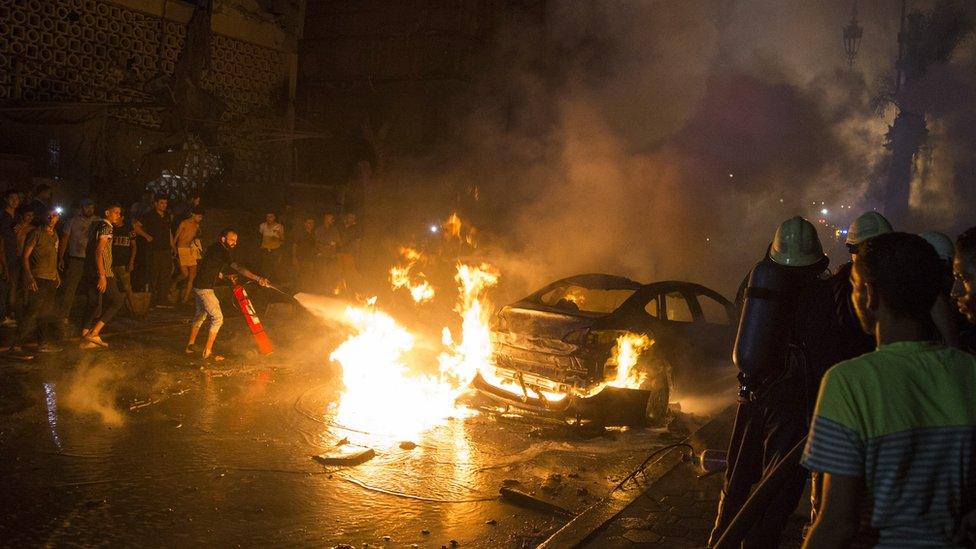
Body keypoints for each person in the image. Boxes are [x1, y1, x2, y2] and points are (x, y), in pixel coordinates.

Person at [802, 232, 976, 548]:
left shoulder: (849, 382)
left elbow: (837, 525)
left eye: (854, 287)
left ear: (870, 295)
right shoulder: (970, 371)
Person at [709, 216, 832, 547]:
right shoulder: (823, 295)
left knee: (735, 481)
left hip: (751, 393)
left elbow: (738, 324)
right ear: (816, 258)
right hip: (793, 406)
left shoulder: (757, 282)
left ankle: (720, 539)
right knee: (777, 488)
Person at [185, 229, 269, 361]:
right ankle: (208, 352)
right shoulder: (223, 251)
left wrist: (223, 276)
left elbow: (210, 266)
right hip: (205, 288)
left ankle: (190, 346)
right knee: (218, 318)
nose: (234, 243)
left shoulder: (213, 248)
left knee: (201, 315)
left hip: (198, 285)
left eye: (235, 241)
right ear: (223, 239)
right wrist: (258, 279)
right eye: (231, 240)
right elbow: (239, 268)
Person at [11, 208, 63, 354]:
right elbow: (25, 257)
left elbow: (53, 255)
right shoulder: (36, 233)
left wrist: (56, 274)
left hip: (50, 279)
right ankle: (15, 345)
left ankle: (43, 344)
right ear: (45, 217)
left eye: (55, 216)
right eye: (50, 215)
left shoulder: (54, 235)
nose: (53, 218)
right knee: (32, 312)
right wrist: (29, 277)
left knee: (45, 313)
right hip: (38, 278)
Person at [79, 204, 124, 349]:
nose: (118, 215)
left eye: (119, 213)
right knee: (117, 301)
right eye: (115, 212)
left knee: (93, 302)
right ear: (107, 212)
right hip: (102, 270)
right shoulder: (107, 227)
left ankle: (86, 335)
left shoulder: (97, 225)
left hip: (91, 269)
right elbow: (99, 251)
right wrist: (102, 275)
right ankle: (94, 333)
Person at [57, 198, 96, 325]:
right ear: (81, 208)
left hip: (91, 260)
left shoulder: (98, 221)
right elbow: (65, 239)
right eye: (86, 207)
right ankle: (63, 315)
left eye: (91, 207)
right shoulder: (72, 221)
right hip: (76, 258)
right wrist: (61, 257)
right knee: (70, 287)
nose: (89, 210)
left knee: (94, 288)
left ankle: (94, 315)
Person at [133, 195, 173, 308]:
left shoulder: (167, 216)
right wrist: (147, 236)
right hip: (154, 250)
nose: (164, 205)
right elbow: (136, 226)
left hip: (165, 250)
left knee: (165, 274)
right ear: (156, 203)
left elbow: (169, 231)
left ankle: (162, 299)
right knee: (153, 274)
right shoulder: (149, 215)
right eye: (161, 203)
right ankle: (151, 300)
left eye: (165, 203)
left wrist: (172, 245)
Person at [172, 208, 203, 304]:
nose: (200, 218)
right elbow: (176, 237)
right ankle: (175, 283)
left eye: (201, 217)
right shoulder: (184, 223)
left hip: (191, 251)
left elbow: (197, 236)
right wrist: (173, 249)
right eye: (199, 216)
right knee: (185, 274)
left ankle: (185, 298)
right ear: (193, 214)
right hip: (182, 249)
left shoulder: (197, 225)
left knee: (192, 276)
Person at [110, 211, 138, 316]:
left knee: (127, 287)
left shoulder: (128, 229)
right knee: (114, 288)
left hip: (123, 263)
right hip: (111, 263)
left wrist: (131, 261)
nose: (116, 220)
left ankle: (133, 309)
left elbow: (134, 246)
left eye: (118, 217)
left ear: (122, 217)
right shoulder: (110, 229)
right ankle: (117, 309)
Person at [0, 190, 21, 326]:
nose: (15, 201)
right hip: (4, 254)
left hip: (15, 254)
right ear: (6, 199)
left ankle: (9, 312)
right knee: (3, 285)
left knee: (12, 285)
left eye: (17, 198)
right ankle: (2, 316)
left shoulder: (18, 217)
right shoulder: (2, 216)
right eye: (12, 198)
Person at [337, 212, 363, 295]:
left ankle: (352, 290)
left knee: (350, 272)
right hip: (340, 253)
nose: (351, 219)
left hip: (350, 254)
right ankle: (340, 290)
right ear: (346, 218)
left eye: (353, 218)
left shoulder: (356, 229)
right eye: (349, 217)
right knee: (340, 272)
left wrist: (357, 254)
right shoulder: (341, 227)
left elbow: (358, 242)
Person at [292, 215, 316, 291]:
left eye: (312, 223)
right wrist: (294, 257)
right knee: (300, 276)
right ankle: (299, 292)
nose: (311, 225)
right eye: (309, 223)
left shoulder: (313, 234)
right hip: (301, 258)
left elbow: (314, 246)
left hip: (310, 259)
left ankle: (307, 291)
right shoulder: (300, 233)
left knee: (309, 276)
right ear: (305, 224)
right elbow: (294, 245)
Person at [258, 211, 284, 279]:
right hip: (265, 250)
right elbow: (259, 237)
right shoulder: (262, 226)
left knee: (275, 267)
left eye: (271, 217)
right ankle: (264, 283)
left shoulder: (279, 226)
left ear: (274, 217)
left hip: (275, 250)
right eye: (268, 216)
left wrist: (279, 235)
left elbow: (282, 239)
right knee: (264, 268)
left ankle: (274, 282)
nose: (269, 218)